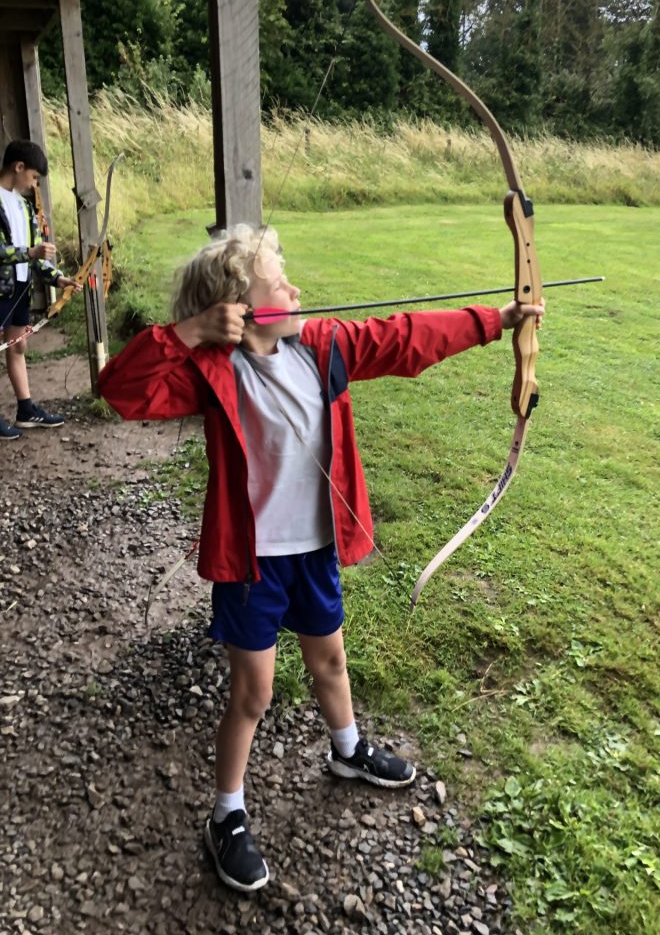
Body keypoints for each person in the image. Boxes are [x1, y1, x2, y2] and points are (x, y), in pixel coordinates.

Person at [98, 223, 544, 894]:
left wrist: (498, 320)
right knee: (253, 693)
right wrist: (190, 332)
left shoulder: (325, 346)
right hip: (251, 564)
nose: (297, 289)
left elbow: (406, 337)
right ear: (238, 309)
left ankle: (348, 749)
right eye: (280, 283)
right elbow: (121, 390)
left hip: (313, 552)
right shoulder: (211, 371)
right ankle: (227, 814)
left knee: (330, 661)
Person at [0, 139, 81, 440]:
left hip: (20, 286)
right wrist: (31, 252)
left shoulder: (23, 205)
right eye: (33, 177)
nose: (34, 184)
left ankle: (26, 410)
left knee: (18, 346)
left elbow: (36, 255)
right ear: (18, 167)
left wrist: (58, 279)